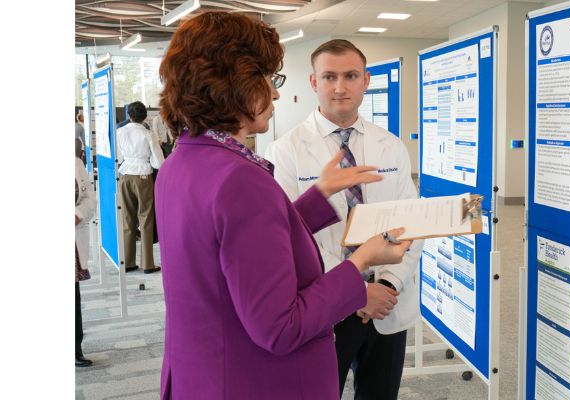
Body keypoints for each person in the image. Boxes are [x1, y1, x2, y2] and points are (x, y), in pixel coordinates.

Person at [155, 11, 412, 400]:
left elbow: (244, 246)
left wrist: (316, 196)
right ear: (234, 83)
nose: (275, 94)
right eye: (269, 79)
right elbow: (280, 326)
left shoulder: (183, 161)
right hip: (255, 379)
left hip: (205, 373)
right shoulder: (238, 177)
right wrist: (359, 266)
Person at [265, 39, 423, 400]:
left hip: (386, 303)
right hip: (325, 305)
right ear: (313, 82)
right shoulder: (285, 151)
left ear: (366, 80)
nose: (340, 87)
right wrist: (355, 292)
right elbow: (289, 240)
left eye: (351, 76)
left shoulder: (391, 146)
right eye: (329, 76)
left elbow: (410, 225)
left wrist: (389, 285)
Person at [116, 101, 164, 274]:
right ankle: (147, 264)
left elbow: (118, 156)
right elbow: (158, 162)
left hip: (125, 176)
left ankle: (128, 262)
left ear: (129, 115)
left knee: (127, 218)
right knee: (145, 219)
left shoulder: (120, 132)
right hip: (143, 177)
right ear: (145, 117)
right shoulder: (148, 134)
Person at [75, 155, 96, 367]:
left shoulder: (75, 163)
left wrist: (78, 214)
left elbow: (90, 197)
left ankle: (75, 348)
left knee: (72, 297)